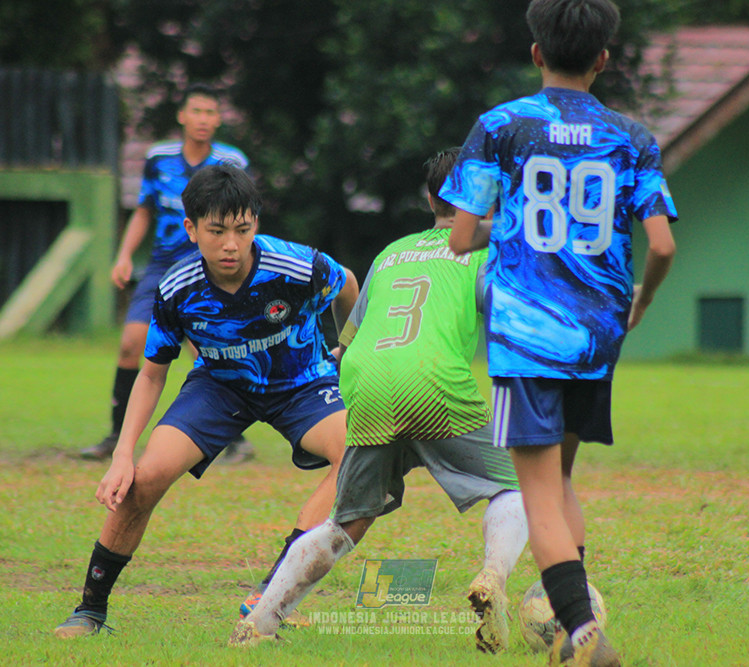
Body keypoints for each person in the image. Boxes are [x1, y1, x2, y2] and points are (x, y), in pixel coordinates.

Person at [442, 1, 678, 665]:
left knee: (537, 490)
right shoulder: (632, 136)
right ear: (603, 58)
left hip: (526, 333)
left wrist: (510, 225)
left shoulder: (500, 126)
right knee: (563, 477)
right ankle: (568, 609)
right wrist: (644, 298)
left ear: (536, 53)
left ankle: (581, 632)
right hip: (598, 332)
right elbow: (660, 244)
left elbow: (461, 236)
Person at [228, 148, 529, 655]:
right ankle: (493, 576)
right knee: (516, 489)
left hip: (366, 386)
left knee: (345, 523)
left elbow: (345, 344)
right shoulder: (485, 248)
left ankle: (259, 621)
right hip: (434, 384)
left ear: (430, 198)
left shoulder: (391, 253)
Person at [54, 164, 359, 638]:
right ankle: (90, 610)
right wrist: (121, 454)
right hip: (219, 387)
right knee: (145, 477)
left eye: (242, 229)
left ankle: (271, 593)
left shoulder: (299, 265)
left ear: (256, 222)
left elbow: (348, 286)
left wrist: (346, 351)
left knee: (353, 458)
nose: (231, 244)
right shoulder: (177, 288)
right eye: (216, 231)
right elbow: (152, 374)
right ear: (191, 229)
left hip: (300, 384)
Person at [80, 82, 255, 464]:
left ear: (219, 119)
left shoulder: (232, 162)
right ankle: (115, 434)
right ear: (182, 116)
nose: (203, 120)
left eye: (211, 112)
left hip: (212, 266)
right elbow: (144, 209)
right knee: (131, 343)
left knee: (210, 346)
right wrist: (124, 255)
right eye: (197, 111)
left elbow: (247, 219)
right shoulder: (159, 158)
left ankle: (234, 437)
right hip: (162, 266)